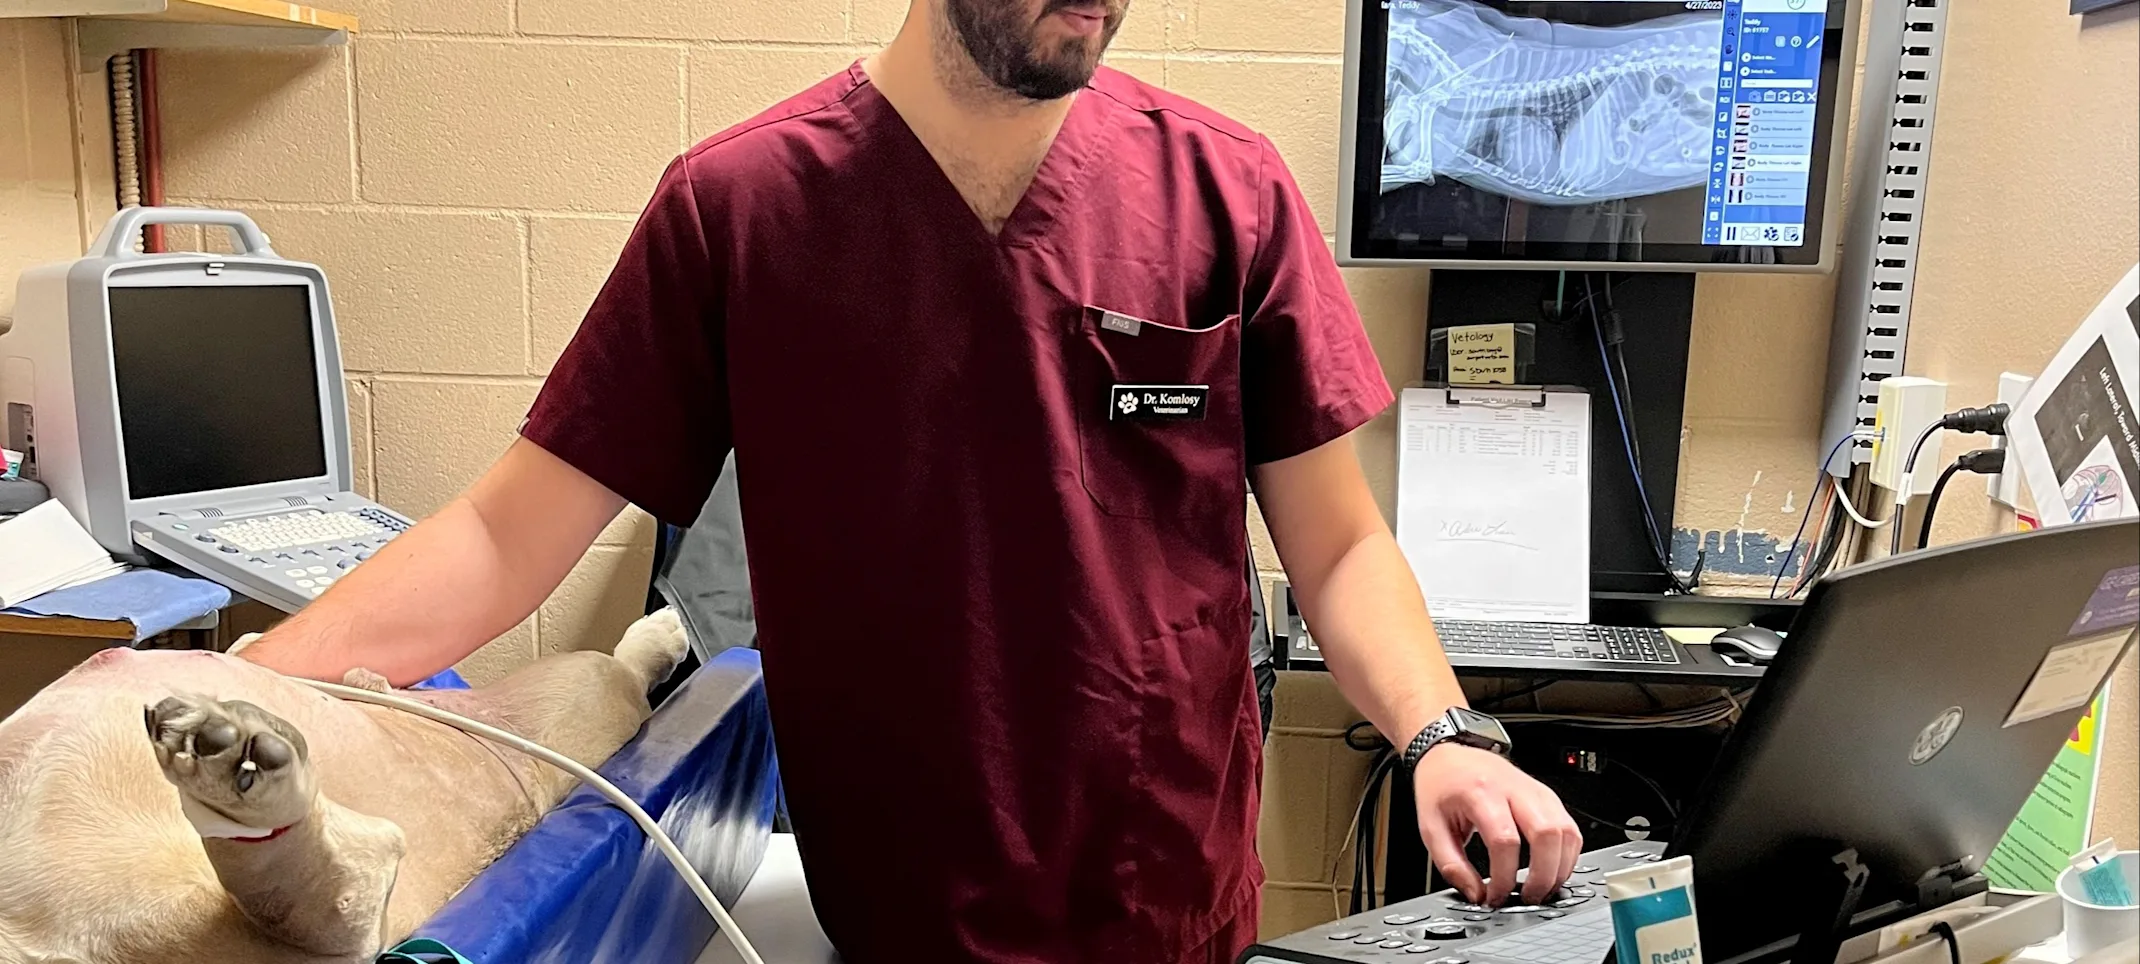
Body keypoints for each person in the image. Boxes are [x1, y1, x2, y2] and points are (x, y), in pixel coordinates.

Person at [238, 0, 1582, 959]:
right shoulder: (741, 212)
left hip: (1161, 891)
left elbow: (1340, 549)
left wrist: (1441, 735)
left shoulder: (1225, 195)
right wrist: (231, 687)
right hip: (893, 904)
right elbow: (506, 532)